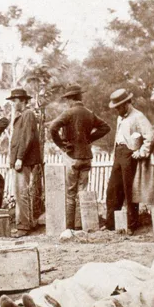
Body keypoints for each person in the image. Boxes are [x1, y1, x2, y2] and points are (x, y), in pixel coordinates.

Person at [48, 83, 110, 230]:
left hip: (72, 157)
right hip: (87, 157)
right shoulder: (89, 113)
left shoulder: (68, 113)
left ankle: (69, 229)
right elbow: (106, 127)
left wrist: (62, 145)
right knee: (83, 193)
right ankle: (82, 226)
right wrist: (90, 139)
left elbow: (52, 128)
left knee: (70, 194)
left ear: (70, 99)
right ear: (80, 97)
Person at [105, 88, 154, 232]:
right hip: (119, 153)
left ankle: (131, 225)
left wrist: (141, 152)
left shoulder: (138, 116)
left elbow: (151, 136)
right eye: (116, 107)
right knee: (113, 189)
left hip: (130, 154)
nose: (117, 110)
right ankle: (111, 225)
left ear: (127, 103)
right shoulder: (120, 117)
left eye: (119, 107)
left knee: (130, 191)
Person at [7, 88, 43, 236]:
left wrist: (20, 158)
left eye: (15, 101)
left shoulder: (27, 114)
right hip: (19, 160)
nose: (13, 104)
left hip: (23, 161)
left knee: (21, 193)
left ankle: (23, 227)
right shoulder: (22, 115)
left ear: (23, 101)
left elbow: (27, 138)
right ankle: (26, 223)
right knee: (20, 192)